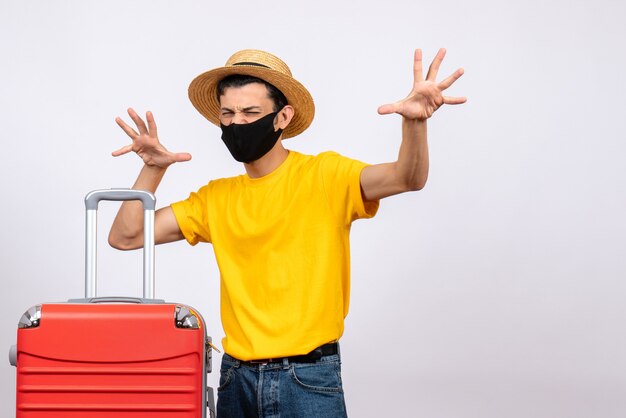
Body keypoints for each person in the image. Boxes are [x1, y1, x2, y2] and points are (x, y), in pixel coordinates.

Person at [109, 48, 465, 417]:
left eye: (251, 113)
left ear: (283, 116)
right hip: (236, 380)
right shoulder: (215, 198)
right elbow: (126, 236)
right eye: (228, 114)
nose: (237, 124)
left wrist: (415, 123)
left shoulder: (325, 176)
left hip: (307, 379)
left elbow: (407, 177)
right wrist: (153, 169)